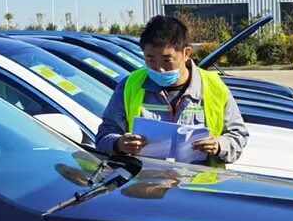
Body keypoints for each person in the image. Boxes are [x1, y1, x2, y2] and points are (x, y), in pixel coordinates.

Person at [95, 15, 250, 165]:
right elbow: (104, 136)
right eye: (150, 59)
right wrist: (118, 143)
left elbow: (238, 136)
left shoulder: (214, 87)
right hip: (146, 180)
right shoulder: (130, 85)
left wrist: (219, 146)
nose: (159, 69)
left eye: (167, 60)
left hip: (198, 180)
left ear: (186, 53)